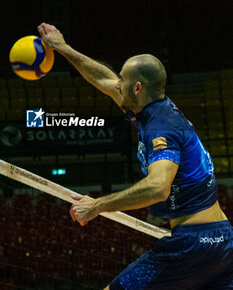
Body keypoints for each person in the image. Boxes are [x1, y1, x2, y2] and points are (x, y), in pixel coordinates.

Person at [38, 23, 233, 290]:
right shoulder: (150, 108)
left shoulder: (161, 127)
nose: (117, 84)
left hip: (193, 244)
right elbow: (103, 80)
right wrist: (62, 48)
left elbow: (158, 187)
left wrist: (97, 206)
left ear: (138, 88)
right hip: (222, 242)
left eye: (123, 80)